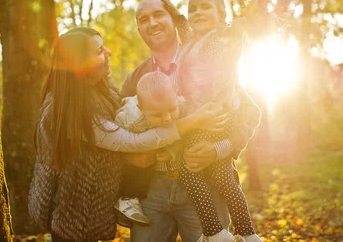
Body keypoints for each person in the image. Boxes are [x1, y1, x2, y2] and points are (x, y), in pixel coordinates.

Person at [27, 27, 227, 242]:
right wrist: (192, 122)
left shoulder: (102, 91)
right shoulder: (67, 111)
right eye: (99, 51)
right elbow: (129, 141)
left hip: (93, 208)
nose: (109, 52)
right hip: (73, 214)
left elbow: (117, 139)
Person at [122, 0, 261, 242]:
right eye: (144, 19)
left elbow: (249, 114)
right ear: (139, 29)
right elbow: (123, 135)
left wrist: (219, 149)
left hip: (207, 181)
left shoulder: (208, 60)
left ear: (173, 20)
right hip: (152, 190)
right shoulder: (135, 80)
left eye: (159, 15)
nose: (152, 23)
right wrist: (134, 156)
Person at [178, 0, 261, 242]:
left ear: (220, 14)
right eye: (192, 8)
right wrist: (171, 10)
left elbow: (222, 70)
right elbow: (181, 25)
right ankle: (247, 234)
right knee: (223, 177)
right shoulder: (193, 41)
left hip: (212, 116)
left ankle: (215, 233)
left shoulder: (218, 40)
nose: (197, 12)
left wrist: (250, 12)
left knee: (188, 171)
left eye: (205, 7)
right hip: (211, 115)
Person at [114, 72, 186, 224]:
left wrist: (171, 151)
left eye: (172, 110)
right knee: (140, 160)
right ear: (142, 109)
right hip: (134, 134)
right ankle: (127, 197)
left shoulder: (181, 105)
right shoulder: (131, 121)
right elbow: (117, 141)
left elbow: (184, 134)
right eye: (157, 115)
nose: (167, 118)